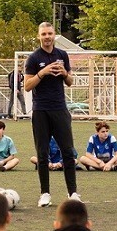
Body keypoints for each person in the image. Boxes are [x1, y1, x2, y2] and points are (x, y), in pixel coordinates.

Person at [24, 22, 78, 208]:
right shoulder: (33, 58)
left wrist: (64, 73)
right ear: (39, 36)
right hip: (40, 110)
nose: (47, 37)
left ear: (54, 35)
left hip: (60, 109)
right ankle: (45, 193)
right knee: (42, 153)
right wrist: (42, 73)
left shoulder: (62, 55)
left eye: (50, 33)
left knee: (68, 152)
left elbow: (70, 81)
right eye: (43, 34)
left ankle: (73, 193)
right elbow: (27, 86)